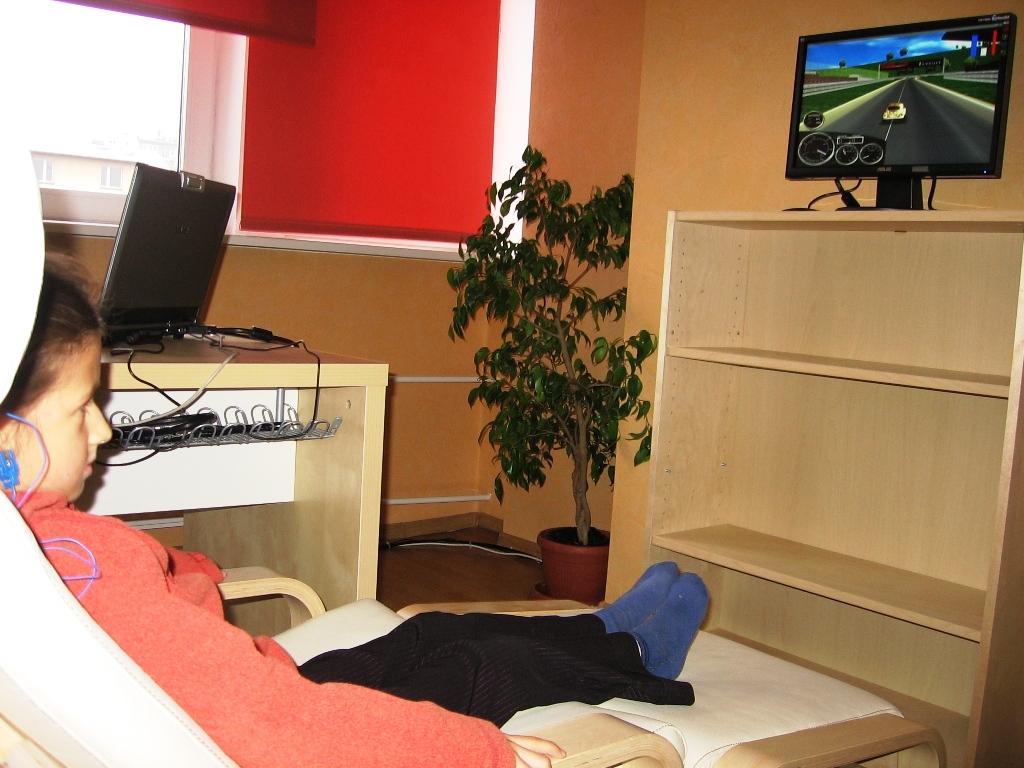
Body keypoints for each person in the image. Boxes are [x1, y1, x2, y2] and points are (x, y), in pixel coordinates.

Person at [0, 253, 709, 768]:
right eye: (80, 409)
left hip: (258, 685)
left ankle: (601, 626)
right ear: (8, 434)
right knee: (479, 665)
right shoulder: (85, 568)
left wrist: (186, 574)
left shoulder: (36, 539)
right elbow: (270, 725)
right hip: (266, 725)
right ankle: (639, 655)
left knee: (429, 627)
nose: (103, 429)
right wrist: (480, 752)